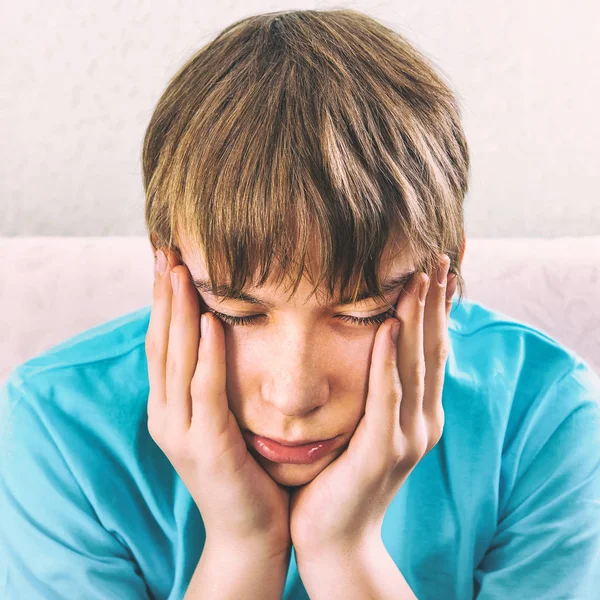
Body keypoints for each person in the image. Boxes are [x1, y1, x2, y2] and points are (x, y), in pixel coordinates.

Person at [1, 8, 599, 600]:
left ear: (446, 276)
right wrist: (243, 546)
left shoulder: (544, 416)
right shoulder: (56, 429)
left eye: (362, 311)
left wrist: (344, 549)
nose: (293, 394)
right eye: (236, 311)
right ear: (170, 268)